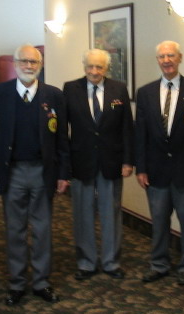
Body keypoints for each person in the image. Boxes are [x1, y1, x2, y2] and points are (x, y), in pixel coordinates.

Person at [0, 44, 70, 305]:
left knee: (42, 230)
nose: (29, 66)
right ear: (15, 64)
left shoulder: (54, 95)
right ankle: (17, 284)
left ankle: (41, 282)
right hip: (13, 171)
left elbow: (62, 137)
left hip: (43, 171)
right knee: (14, 230)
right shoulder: (0, 93)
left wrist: (64, 172)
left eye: (34, 62)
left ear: (40, 65)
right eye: (24, 61)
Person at [63, 49, 134, 281]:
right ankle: (86, 262)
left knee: (110, 213)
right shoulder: (70, 89)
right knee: (82, 214)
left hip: (111, 161)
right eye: (90, 66)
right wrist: (64, 164)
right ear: (84, 66)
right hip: (81, 160)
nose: (94, 71)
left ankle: (111, 262)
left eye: (99, 67)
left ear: (106, 68)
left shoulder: (118, 89)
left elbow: (127, 128)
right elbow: (63, 130)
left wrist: (127, 160)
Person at [135, 41, 184, 285]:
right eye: (162, 56)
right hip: (155, 171)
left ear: (180, 57)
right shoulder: (146, 92)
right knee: (159, 221)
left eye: (171, 55)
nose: (166, 60)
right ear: (157, 60)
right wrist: (141, 168)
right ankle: (159, 263)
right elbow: (140, 133)